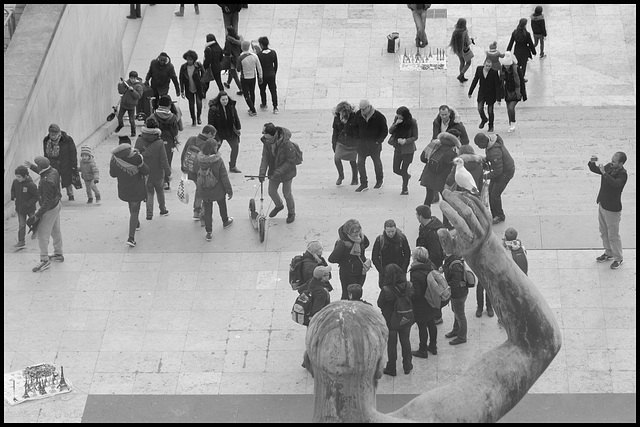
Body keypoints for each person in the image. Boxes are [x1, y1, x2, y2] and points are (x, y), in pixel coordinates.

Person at [302, 189, 562, 423]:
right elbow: (538, 342)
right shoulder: (430, 418)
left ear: (311, 364)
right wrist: (484, 252)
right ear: (380, 367)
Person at [588, 152, 628, 269]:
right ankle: (608, 252)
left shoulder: (623, 174)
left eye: (614, 161)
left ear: (621, 163)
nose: (611, 162)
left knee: (613, 235)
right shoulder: (609, 166)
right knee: (604, 231)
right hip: (603, 204)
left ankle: (618, 258)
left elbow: (615, 184)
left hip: (613, 209)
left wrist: (604, 173)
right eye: (612, 160)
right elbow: (596, 170)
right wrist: (592, 162)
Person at [26, 156, 63, 272]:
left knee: (42, 235)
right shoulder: (53, 171)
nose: (36, 166)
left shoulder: (46, 181)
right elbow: (43, 172)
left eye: (37, 165)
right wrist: (31, 167)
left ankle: (44, 260)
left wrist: (37, 215)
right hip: (57, 204)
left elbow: (46, 202)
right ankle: (58, 253)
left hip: (49, 209)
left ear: (41, 167)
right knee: (56, 230)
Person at [377, 263, 414, 376]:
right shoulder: (409, 285)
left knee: (392, 344)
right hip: (405, 317)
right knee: (405, 341)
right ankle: (407, 365)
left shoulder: (386, 289)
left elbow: (380, 303)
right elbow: (413, 297)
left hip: (391, 319)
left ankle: (391, 368)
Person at [110, 143, 149, 247]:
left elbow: (112, 174)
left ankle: (136, 223)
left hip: (124, 188)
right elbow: (146, 171)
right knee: (135, 210)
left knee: (130, 204)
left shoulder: (114, 159)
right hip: (137, 189)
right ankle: (131, 237)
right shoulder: (137, 158)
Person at [258, 123, 297, 223]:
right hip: (274, 172)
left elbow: (290, 161)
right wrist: (262, 172)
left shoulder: (287, 144)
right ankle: (279, 205)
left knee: (287, 194)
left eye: (265, 134)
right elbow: (265, 158)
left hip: (287, 173)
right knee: (271, 192)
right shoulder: (267, 142)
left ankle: (291, 213)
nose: (264, 136)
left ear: (272, 134)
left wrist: (278, 172)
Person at [195, 140, 234, 241]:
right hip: (218, 189)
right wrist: (229, 190)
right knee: (222, 205)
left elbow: (196, 173)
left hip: (204, 189)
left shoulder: (199, 159)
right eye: (216, 147)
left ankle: (209, 232)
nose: (217, 149)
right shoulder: (218, 160)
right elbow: (224, 177)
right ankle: (225, 221)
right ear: (212, 148)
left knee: (208, 210)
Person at [474, 132, 516, 225]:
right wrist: (486, 159)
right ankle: (494, 215)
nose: (479, 147)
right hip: (502, 169)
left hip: (506, 172)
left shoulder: (494, 152)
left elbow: (498, 171)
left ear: (484, 142)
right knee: (491, 190)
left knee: (495, 194)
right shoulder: (490, 145)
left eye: (479, 145)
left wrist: (485, 176)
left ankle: (499, 216)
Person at [134, 116, 171, 220]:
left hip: (145, 172)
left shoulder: (139, 140)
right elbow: (164, 160)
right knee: (160, 191)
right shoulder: (159, 143)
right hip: (158, 172)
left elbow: (136, 156)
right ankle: (163, 210)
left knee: (149, 192)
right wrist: (168, 172)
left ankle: (149, 214)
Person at [328, 219, 371, 300]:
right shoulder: (342, 243)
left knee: (357, 294)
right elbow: (332, 259)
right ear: (348, 232)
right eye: (354, 232)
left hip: (361, 271)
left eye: (358, 231)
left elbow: (366, 244)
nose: (357, 233)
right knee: (347, 295)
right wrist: (346, 261)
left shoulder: (361, 237)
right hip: (348, 273)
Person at [181, 124, 218, 220]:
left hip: (190, 170)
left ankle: (196, 211)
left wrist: (184, 167)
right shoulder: (208, 144)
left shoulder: (191, 139)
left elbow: (184, 153)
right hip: (202, 172)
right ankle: (201, 212)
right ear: (209, 134)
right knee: (204, 191)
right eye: (213, 135)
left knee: (199, 188)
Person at [409, 246, 440, 358]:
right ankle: (433, 346)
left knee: (422, 326)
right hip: (433, 301)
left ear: (416, 258)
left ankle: (422, 350)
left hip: (422, 304)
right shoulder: (431, 266)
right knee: (431, 324)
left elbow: (416, 293)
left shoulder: (415, 273)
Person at [419, 131, 460, 207]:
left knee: (428, 197)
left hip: (429, 173)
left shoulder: (435, 143)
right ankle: (446, 219)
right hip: (443, 178)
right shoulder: (455, 150)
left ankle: (425, 215)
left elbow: (422, 158)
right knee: (446, 200)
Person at [355, 99, 388, 192]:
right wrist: (357, 139)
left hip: (374, 145)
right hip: (361, 145)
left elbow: (384, 130)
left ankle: (379, 180)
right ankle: (363, 183)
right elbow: (355, 127)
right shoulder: (358, 115)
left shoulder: (379, 116)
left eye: (364, 109)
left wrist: (378, 141)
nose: (362, 111)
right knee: (360, 164)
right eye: (361, 109)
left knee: (377, 163)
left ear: (369, 106)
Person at [208, 91, 242, 173]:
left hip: (230, 131)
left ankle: (232, 166)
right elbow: (211, 123)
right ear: (219, 100)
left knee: (235, 147)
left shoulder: (231, 106)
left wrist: (238, 127)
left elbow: (235, 117)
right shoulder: (213, 109)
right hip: (219, 132)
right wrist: (215, 136)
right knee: (214, 150)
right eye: (223, 99)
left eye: (226, 99)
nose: (225, 101)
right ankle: (211, 166)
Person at [41, 123, 77, 201]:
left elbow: (73, 151)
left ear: (58, 133)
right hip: (53, 163)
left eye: (55, 134)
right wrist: (46, 164)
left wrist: (74, 164)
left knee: (67, 179)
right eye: (51, 134)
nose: (53, 136)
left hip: (65, 162)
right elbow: (45, 153)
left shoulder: (67, 139)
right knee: (54, 180)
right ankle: (57, 196)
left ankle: (70, 194)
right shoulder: (46, 140)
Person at [372, 219, 411, 288]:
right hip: (385, 272)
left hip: (400, 270)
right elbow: (374, 257)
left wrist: (404, 269)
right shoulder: (380, 240)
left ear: (395, 229)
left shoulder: (401, 238)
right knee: (386, 292)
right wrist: (381, 271)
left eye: (393, 231)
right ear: (385, 230)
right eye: (388, 232)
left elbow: (407, 254)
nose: (391, 234)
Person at [388, 106, 418, 195]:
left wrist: (406, 141)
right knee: (396, 169)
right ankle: (406, 176)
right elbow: (390, 131)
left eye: (400, 115)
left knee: (404, 169)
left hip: (408, 150)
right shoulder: (397, 119)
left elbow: (415, 136)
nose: (399, 117)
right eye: (397, 115)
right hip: (398, 148)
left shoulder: (412, 122)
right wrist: (395, 124)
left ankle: (405, 189)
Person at [152, 95, 180, 190]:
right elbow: (176, 131)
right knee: (167, 161)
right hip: (169, 142)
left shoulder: (153, 116)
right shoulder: (172, 117)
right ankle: (166, 182)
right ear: (169, 106)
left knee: (156, 161)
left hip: (156, 141)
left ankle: (158, 181)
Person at [468, 58, 502, 133]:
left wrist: (498, 98)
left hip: (491, 93)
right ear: (484, 64)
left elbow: (497, 85)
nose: (488, 68)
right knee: (480, 108)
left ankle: (491, 126)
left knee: (490, 111)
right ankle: (484, 119)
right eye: (486, 66)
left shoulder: (494, 72)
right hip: (482, 92)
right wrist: (470, 92)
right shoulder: (479, 69)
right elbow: (475, 80)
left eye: (489, 66)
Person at [11, 165, 39, 250]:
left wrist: (28, 203)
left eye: (19, 177)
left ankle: (35, 230)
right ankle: (21, 241)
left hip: (29, 208)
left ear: (25, 176)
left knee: (32, 221)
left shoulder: (31, 185)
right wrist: (13, 197)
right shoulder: (15, 182)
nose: (17, 178)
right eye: (16, 176)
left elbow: (36, 196)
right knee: (21, 225)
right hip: (20, 208)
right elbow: (13, 190)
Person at [331, 101, 359, 186]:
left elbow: (358, 130)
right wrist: (334, 143)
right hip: (341, 141)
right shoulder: (336, 117)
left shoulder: (355, 117)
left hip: (353, 143)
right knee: (337, 159)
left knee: (353, 161)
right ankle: (341, 176)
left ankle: (355, 178)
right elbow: (335, 131)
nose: (341, 115)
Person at [443, 252, 468, 345]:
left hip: (459, 293)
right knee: (456, 311)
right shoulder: (450, 260)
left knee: (460, 315)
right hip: (457, 292)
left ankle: (462, 337)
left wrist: (446, 286)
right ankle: (456, 330)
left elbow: (456, 281)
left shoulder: (455, 264)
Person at [500, 52, 526, 133]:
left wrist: (524, 94)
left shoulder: (517, 69)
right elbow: (500, 82)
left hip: (516, 92)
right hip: (507, 92)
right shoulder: (502, 70)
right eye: (505, 65)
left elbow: (521, 81)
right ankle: (511, 123)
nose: (506, 67)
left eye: (508, 65)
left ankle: (513, 122)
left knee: (511, 108)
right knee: (508, 109)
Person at [236, 40, 263, 117]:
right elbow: (259, 67)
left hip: (244, 77)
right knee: (252, 92)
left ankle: (253, 109)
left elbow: (238, 69)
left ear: (241, 47)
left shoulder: (240, 58)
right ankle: (252, 107)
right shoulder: (254, 56)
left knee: (246, 94)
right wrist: (260, 76)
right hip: (253, 77)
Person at [179, 50, 205, 126]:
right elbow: (181, 79)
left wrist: (202, 82)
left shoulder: (198, 66)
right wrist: (182, 90)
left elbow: (204, 74)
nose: (189, 61)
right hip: (188, 87)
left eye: (190, 60)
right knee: (191, 104)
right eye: (187, 59)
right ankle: (193, 119)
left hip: (198, 87)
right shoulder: (183, 67)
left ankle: (199, 117)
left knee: (199, 103)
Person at [415, 204, 445, 269]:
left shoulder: (433, 234)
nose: (416, 216)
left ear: (421, 217)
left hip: (430, 266)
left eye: (417, 215)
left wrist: (428, 266)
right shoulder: (423, 226)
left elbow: (435, 254)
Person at [116, 70, 144, 137]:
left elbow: (138, 96)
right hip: (124, 104)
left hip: (131, 106)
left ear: (136, 78)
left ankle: (133, 132)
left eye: (134, 78)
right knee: (120, 117)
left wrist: (132, 91)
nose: (133, 80)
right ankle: (121, 124)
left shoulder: (139, 86)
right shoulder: (126, 83)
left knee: (131, 120)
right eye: (131, 78)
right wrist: (120, 85)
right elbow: (121, 92)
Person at [256, 36, 279, 114]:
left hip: (263, 75)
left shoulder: (259, 55)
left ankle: (264, 103)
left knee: (262, 90)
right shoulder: (273, 52)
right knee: (273, 91)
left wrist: (259, 76)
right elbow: (276, 64)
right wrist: (274, 72)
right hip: (271, 74)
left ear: (261, 45)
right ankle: (275, 107)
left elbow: (258, 67)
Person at [449, 17, 474, 83]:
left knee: (462, 62)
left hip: (458, 50)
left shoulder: (455, 32)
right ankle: (461, 75)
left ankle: (462, 78)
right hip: (465, 51)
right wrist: (471, 40)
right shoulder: (464, 32)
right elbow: (467, 43)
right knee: (468, 63)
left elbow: (453, 42)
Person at [223, 26, 243, 96]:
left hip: (231, 59)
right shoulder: (237, 38)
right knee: (230, 71)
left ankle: (241, 89)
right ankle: (228, 83)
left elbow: (227, 51)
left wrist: (223, 52)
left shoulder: (228, 40)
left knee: (234, 74)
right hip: (237, 57)